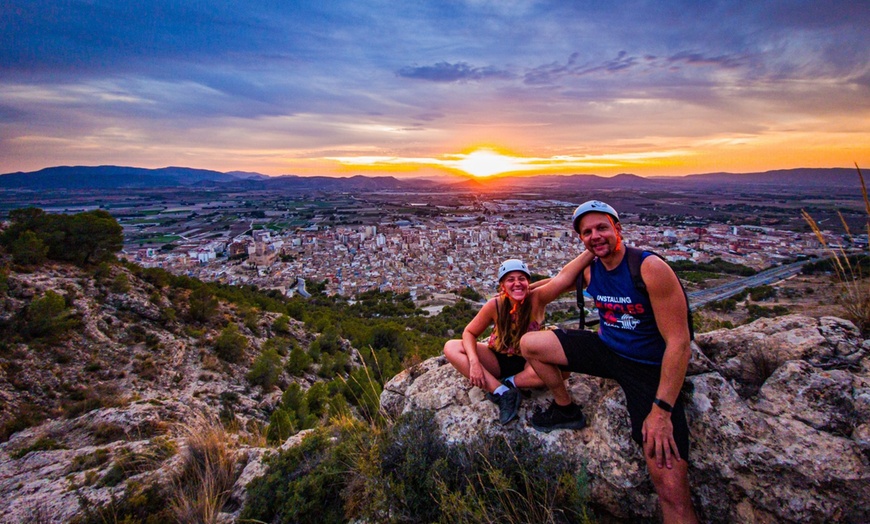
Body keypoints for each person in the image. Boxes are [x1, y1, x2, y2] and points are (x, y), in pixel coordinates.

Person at [520, 200, 698, 523]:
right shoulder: (589, 269)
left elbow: (679, 343)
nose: (595, 235)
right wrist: (508, 296)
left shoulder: (649, 269)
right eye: (586, 232)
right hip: (606, 349)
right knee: (530, 343)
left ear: (618, 228)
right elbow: (547, 291)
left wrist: (661, 412)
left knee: (670, 485)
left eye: (602, 227)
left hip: (646, 367)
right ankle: (566, 408)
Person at [443, 252, 593, 424]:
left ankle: (511, 383)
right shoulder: (495, 305)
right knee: (451, 347)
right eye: (510, 280)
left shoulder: (537, 299)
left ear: (528, 282)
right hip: (498, 357)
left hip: (531, 362)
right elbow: (469, 332)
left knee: (561, 372)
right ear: (502, 286)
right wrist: (474, 362)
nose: (516, 283)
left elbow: (563, 278)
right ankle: (501, 392)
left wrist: (590, 251)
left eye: (521, 278)